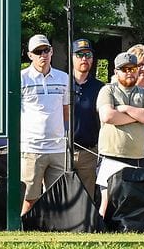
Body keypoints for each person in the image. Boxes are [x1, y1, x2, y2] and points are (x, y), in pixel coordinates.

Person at [95, 51, 144, 217]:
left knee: (131, 202)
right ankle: (102, 233)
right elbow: (107, 116)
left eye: (133, 68)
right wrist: (138, 117)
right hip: (110, 156)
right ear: (116, 72)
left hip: (137, 157)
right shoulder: (107, 90)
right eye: (125, 69)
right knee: (107, 203)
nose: (130, 72)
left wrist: (125, 109)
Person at [20, 33, 70, 216]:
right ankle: (22, 234)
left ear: (52, 51)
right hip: (30, 148)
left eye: (46, 50)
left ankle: (53, 236)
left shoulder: (63, 78)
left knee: (57, 197)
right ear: (30, 55)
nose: (43, 54)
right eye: (38, 51)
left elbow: (66, 110)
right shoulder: (22, 78)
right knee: (28, 198)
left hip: (57, 148)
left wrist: (65, 136)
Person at [70, 38, 104, 199]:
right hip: (62, 150)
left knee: (86, 198)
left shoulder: (100, 87)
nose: (84, 59)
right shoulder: (63, 83)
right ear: (72, 57)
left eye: (88, 55)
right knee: (60, 194)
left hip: (88, 151)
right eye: (80, 54)